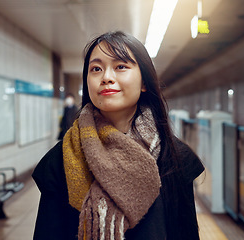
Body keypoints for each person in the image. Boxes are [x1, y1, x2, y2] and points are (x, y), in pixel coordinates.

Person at [32, 31, 204, 240]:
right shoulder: (62, 157)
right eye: (96, 69)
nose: (106, 77)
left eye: (120, 66)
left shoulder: (174, 157)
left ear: (144, 82)